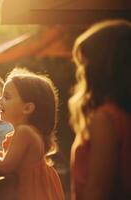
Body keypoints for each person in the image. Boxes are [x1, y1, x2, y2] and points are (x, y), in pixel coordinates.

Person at [0, 68, 65, 200]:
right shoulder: (30, 131)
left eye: (7, 97)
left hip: (30, 193)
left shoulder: (24, 132)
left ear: (27, 108)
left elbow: (6, 166)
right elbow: (14, 159)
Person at [69, 20, 131, 200]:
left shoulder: (105, 119)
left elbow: (97, 191)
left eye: (83, 63)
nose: (80, 72)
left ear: (100, 66)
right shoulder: (122, 115)